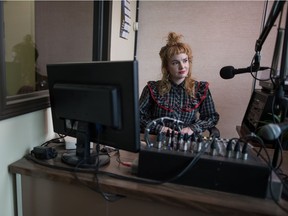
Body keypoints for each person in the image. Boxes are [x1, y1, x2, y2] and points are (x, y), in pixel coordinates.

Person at [139, 32, 219, 136]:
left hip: (186, 142)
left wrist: (193, 128)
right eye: (175, 63)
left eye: (185, 61)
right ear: (166, 67)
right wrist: (160, 128)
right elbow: (138, 116)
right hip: (157, 139)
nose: (182, 67)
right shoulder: (153, 89)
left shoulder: (200, 89)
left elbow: (211, 117)